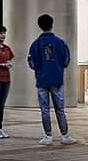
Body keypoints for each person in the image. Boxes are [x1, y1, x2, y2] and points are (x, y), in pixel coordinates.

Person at [27, 13, 74, 146]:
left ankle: (48, 136)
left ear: (39, 26)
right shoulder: (60, 42)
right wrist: (58, 68)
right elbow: (66, 60)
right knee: (60, 109)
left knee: (45, 109)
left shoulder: (35, 44)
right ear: (52, 24)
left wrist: (40, 70)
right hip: (57, 80)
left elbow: (31, 62)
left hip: (42, 81)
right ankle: (65, 135)